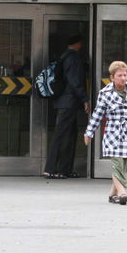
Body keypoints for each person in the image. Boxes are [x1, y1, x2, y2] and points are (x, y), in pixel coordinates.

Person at [83, 61, 127, 205]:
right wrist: (89, 132)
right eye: (120, 75)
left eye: (125, 75)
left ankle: (112, 195)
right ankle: (122, 193)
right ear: (112, 77)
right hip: (113, 132)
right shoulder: (105, 93)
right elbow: (98, 114)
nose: (123, 78)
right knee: (117, 164)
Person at [43, 33, 90, 179]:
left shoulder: (63, 57)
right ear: (77, 44)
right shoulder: (73, 58)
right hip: (68, 102)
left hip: (64, 102)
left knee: (69, 135)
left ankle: (64, 170)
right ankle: (51, 168)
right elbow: (75, 81)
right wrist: (85, 99)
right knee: (61, 135)